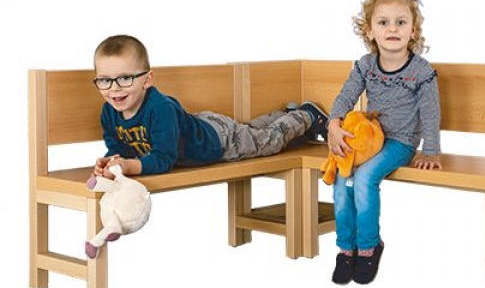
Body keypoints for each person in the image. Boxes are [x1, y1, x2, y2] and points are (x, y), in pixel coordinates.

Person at [91, 35, 328, 181]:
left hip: (219, 143)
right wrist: (110, 162)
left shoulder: (160, 108)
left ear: (147, 79)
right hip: (204, 126)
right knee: (252, 132)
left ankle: (306, 115)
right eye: (104, 80)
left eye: (125, 78)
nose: (114, 89)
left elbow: (164, 160)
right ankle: (285, 116)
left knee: (268, 142)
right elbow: (118, 147)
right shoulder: (109, 112)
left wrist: (128, 167)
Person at [327, 0, 442, 285]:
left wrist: (430, 151)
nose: (392, 29)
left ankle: (368, 248)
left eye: (400, 22)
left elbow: (430, 113)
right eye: (383, 22)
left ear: (413, 30)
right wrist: (333, 125)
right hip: (369, 138)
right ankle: (346, 249)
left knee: (364, 178)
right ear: (370, 30)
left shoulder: (421, 71)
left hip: (400, 142)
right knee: (342, 178)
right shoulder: (365, 66)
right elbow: (345, 97)